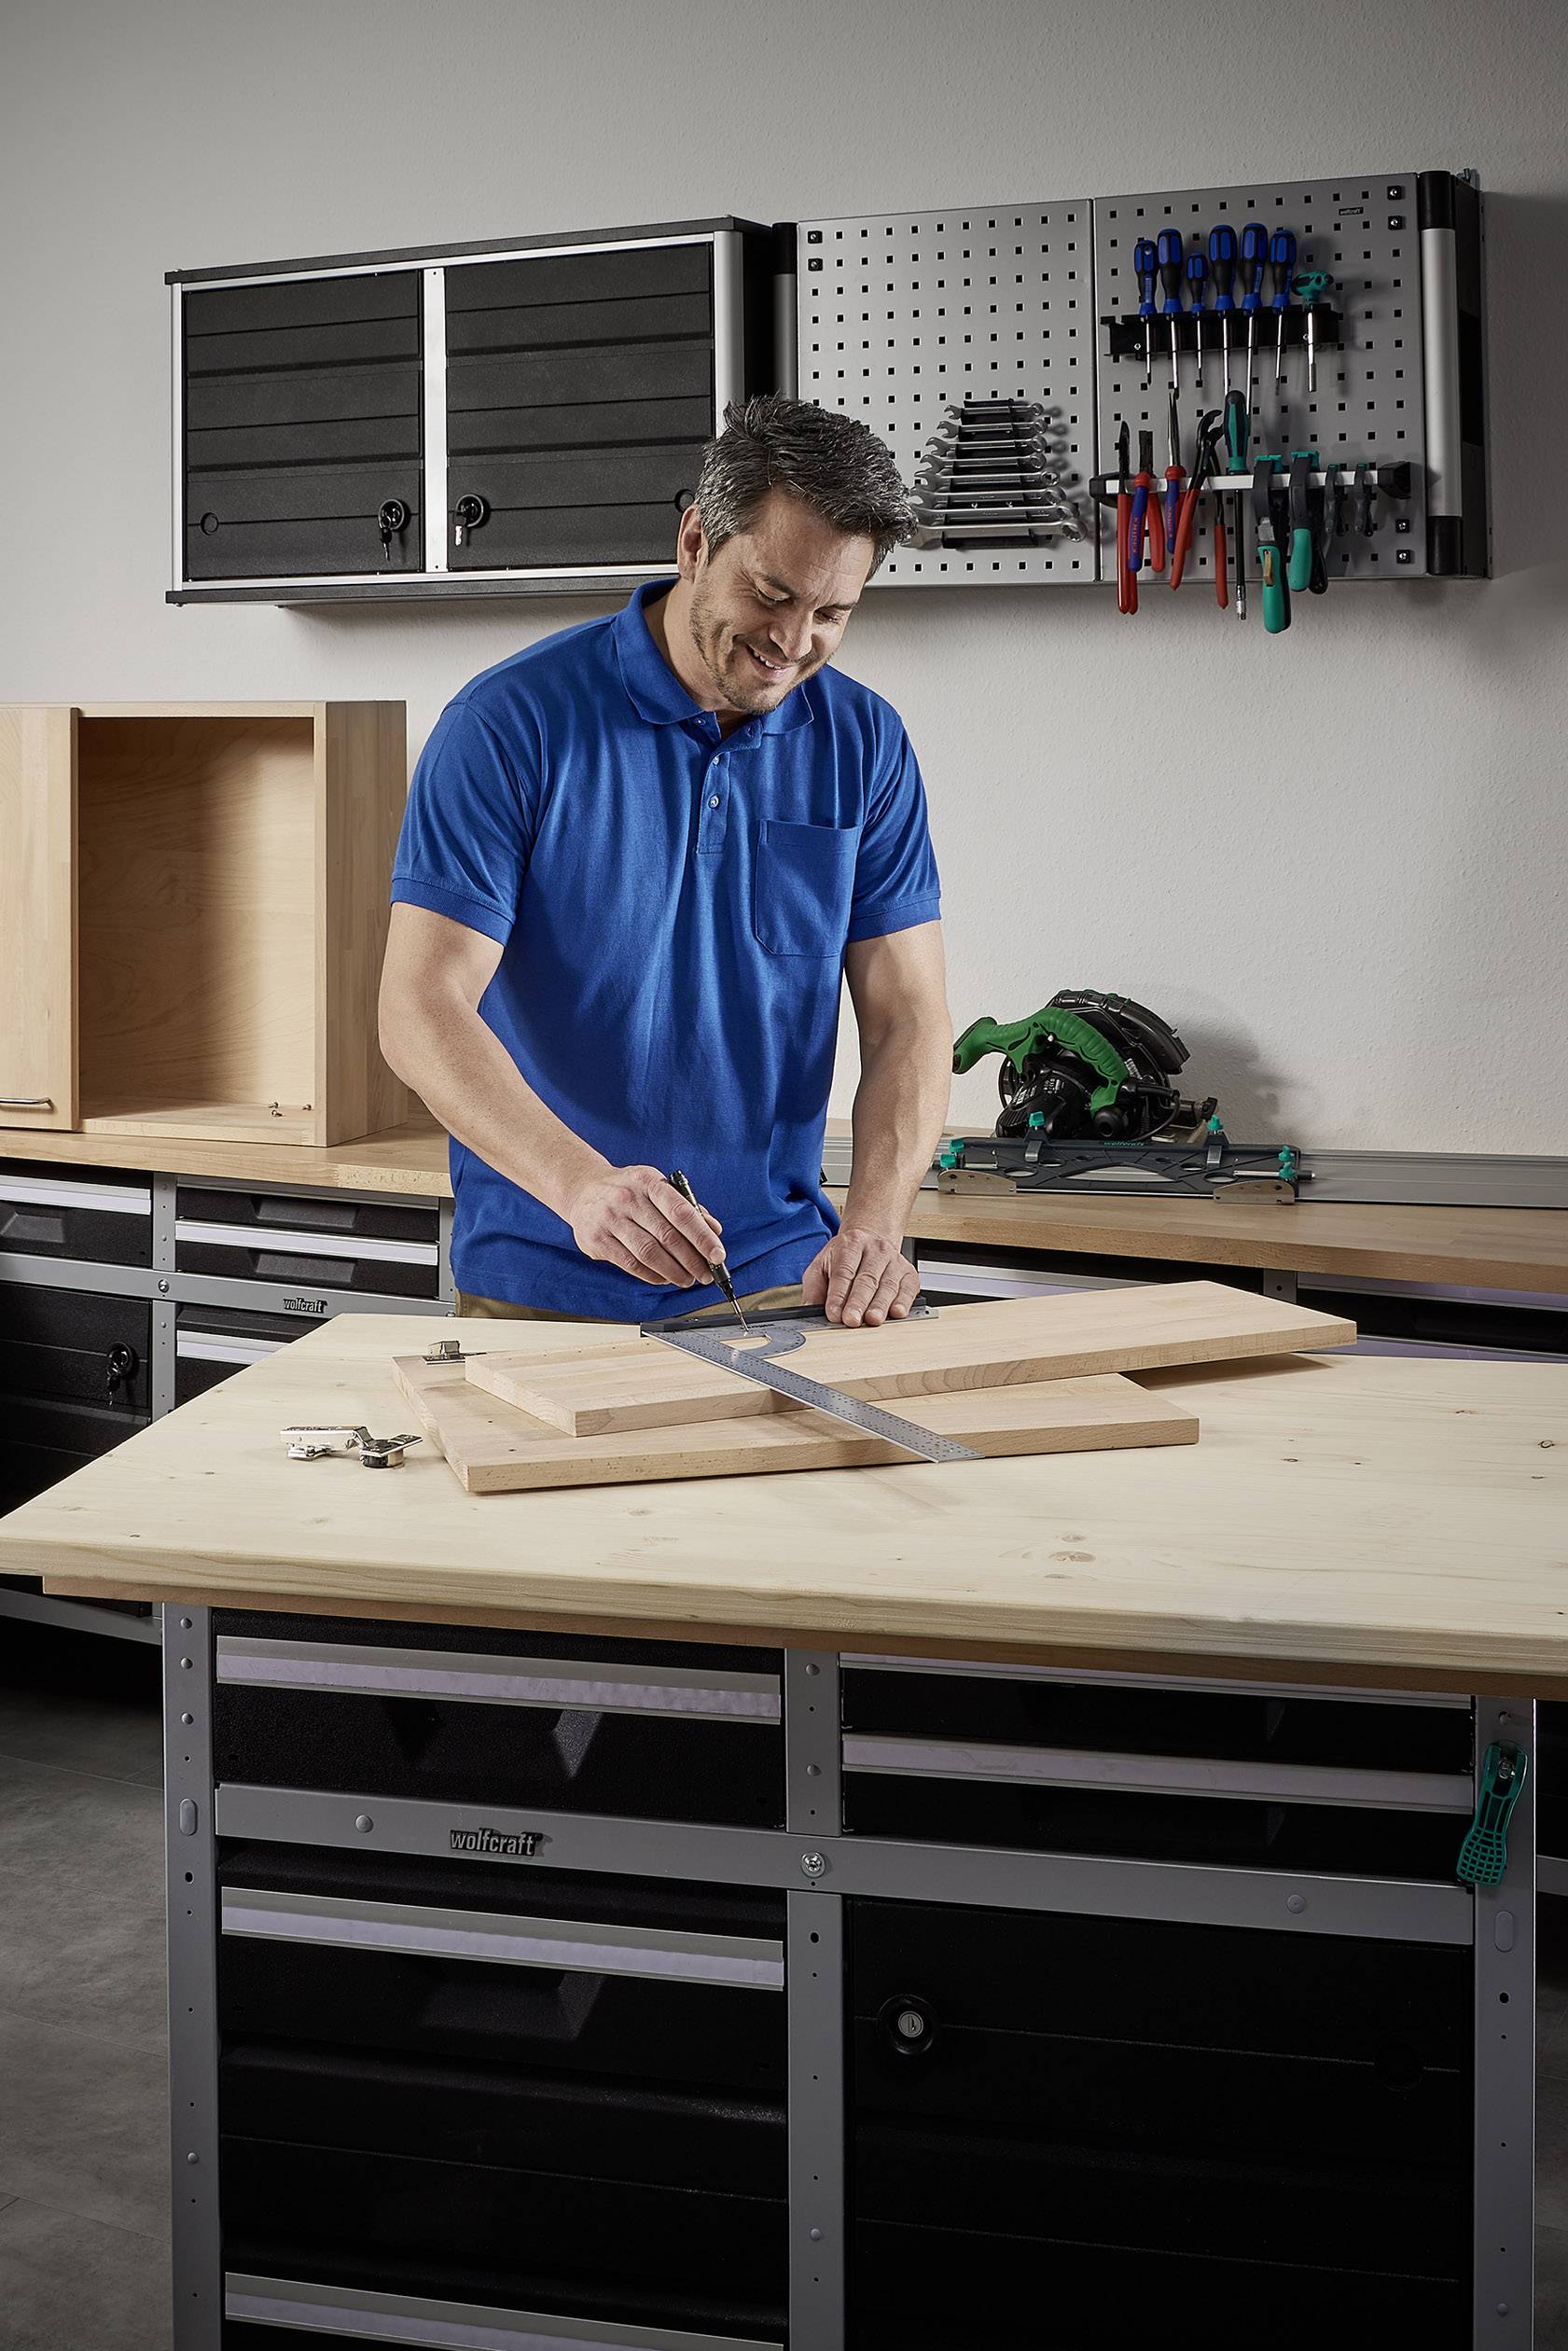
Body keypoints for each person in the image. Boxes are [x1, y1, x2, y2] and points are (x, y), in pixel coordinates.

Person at [379, 395, 951, 1329]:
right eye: (771, 595)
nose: (792, 643)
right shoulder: (507, 725)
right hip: (548, 1281)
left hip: (781, 1279)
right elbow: (418, 1007)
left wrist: (876, 1227)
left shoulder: (865, 742)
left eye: (832, 613)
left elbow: (909, 1020)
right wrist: (582, 1188)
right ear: (694, 542)